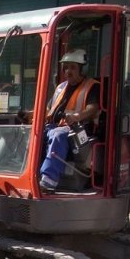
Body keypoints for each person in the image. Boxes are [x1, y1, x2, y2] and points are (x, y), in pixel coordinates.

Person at [38, 49, 100, 192]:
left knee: (58, 135)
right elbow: (49, 110)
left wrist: (76, 116)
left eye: (72, 67)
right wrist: (30, 116)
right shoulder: (61, 87)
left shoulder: (92, 86)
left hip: (79, 129)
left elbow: (93, 108)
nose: (68, 71)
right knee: (34, 133)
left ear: (82, 69)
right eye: (66, 67)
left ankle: (49, 180)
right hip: (55, 126)